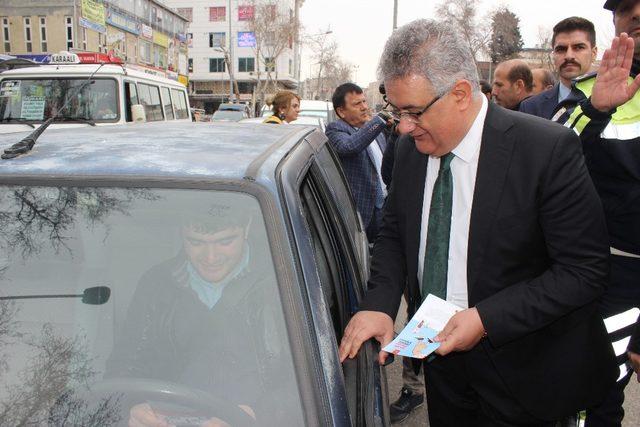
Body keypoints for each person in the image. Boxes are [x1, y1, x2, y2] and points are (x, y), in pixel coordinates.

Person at [339, 19, 617, 426]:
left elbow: (584, 271)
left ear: (460, 94)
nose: (404, 126)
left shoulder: (545, 149)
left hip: (525, 375)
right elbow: (396, 235)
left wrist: (486, 319)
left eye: (414, 112)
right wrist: (380, 305)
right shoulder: (411, 150)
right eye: (397, 112)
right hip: (443, 372)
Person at [106, 200, 286, 426]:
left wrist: (258, 413)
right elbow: (125, 365)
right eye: (196, 242)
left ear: (247, 227)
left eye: (225, 242)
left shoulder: (282, 281)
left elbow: (310, 378)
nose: (210, 258)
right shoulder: (157, 285)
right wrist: (131, 405)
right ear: (181, 232)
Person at [559, 1, 640, 425]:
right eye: (627, 8)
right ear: (615, 21)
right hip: (612, 275)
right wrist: (597, 110)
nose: (637, 14)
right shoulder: (592, 90)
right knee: (599, 392)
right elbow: (550, 158)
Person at [325, 82, 393, 242]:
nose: (364, 107)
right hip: (360, 214)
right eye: (357, 104)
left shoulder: (375, 129)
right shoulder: (336, 130)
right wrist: (379, 120)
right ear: (341, 111)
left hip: (384, 208)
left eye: (364, 101)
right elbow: (350, 147)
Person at [520, 17, 597, 119]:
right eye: (561, 49)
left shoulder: (615, 103)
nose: (569, 56)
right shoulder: (530, 108)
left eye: (578, 47)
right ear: (553, 55)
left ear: (594, 53)